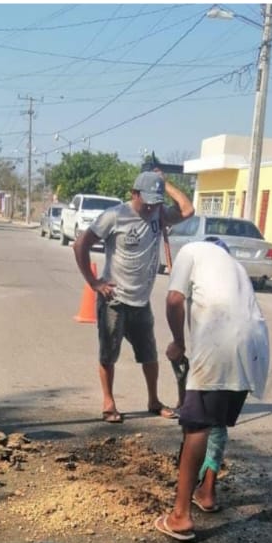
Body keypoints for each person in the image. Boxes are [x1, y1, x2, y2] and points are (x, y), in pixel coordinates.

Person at [154, 238, 269, 542]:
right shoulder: (233, 268)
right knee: (214, 420)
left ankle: (180, 517)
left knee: (196, 427)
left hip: (223, 340)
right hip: (254, 345)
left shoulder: (190, 251)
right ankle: (206, 492)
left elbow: (175, 300)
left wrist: (178, 342)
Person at [74, 169, 194, 424]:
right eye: (147, 201)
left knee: (149, 355)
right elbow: (80, 244)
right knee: (109, 354)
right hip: (114, 300)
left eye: (156, 202)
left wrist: (165, 183)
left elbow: (187, 210)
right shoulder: (115, 216)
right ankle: (109, 403)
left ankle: (153, 400)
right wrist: (94, 282)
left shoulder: (159, 215)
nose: (151, 207)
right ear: (134, 194)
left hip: (141, 302)